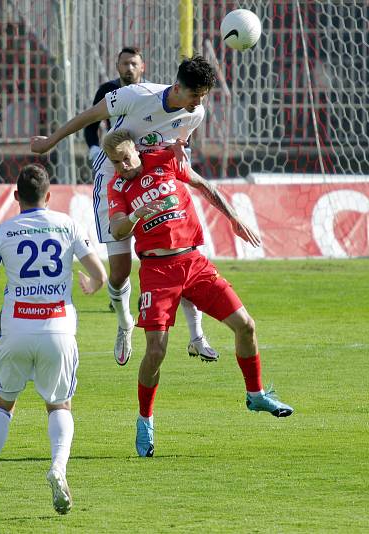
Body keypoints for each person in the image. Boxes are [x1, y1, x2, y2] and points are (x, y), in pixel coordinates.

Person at [102, 130, 294, 458]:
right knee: (156, 351)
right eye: (115, 163)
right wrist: (137, 215)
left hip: (194, 261)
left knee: (246, 325)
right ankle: (145, 418)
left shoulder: (164, 160)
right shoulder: (118, 187)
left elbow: (203, 185)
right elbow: (117, 228)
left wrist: (233, 218)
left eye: (125, 158)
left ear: (136, 148)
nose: (122, 166)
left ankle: (256, 394)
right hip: (157, 271)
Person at [32, 55, 219, 368]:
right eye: (195, 95)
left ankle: (197, 335)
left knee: (178, 257)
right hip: (115, 181)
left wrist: (178, 148)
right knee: (119, 273)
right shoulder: (137, 96)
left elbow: (181, 137)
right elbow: (90, 115)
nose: (200, 102)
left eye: (203, 96)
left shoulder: (195, 111)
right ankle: (124, 323)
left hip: (153, 184)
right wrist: (51, 141)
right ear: (177, 88)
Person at [0, 164, 107, 514]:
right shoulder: (67, 224)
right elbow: (100, 273)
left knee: (2, 404)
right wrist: (92, 285)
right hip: (59, 332)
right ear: (49, 196)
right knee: (59, 405)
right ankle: (58, 469)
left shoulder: (3, 232)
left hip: (16, 330)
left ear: (16, 196)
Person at [84, 46, 146, 166]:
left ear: (142, 67)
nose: (129, 68)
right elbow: (91, 124)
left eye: (134, 64)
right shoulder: (106, 90)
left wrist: (185, 149)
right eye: (125, 63)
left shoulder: (150, 91)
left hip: (145, 152)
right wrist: (94, 150)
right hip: (115, 155)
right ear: (117, 66)